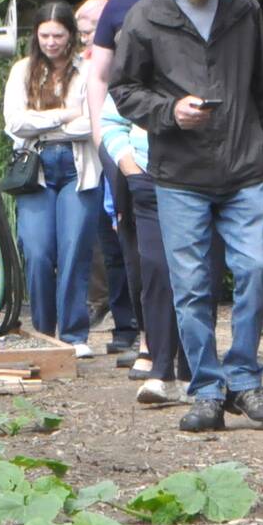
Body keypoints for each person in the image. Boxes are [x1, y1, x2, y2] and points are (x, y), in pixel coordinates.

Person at [110, 0, 263, 432]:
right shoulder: (145, 17)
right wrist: (172, 112)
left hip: (242, 166)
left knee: (257, 268)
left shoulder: (244, 8)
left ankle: (244, 379)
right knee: (192, 286)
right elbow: (124, 89)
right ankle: (207, 390)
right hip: (179, 173)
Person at [85, 0, 174, 379]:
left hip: (175, 143)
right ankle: (145, 337)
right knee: (134, 249)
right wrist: (104, 140)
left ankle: (174, 345)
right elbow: (99, 76)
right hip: (124, 143)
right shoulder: (119, 7)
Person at [4, 0, 104, 356]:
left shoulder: (88, 70)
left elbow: (94, 121)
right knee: (38, 251)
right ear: (35, 36)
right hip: (37, 170)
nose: (50, 42)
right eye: (44, 35)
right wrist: (64, 115)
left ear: (70, 35)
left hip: (79, 168)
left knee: (75, 250)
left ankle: (74, 336)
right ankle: (45, 331)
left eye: (57, 35)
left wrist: (43, 119)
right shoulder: (22, 71)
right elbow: (15, 122)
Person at [98, 94, 189, 405]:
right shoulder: (133, 52)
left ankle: (191, 369)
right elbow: (110, 120)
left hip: (197, 174)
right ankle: (159, 363)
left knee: (193, 271)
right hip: (142, 174)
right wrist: (129, 168)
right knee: (150, 270)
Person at [78, 0, 140, 358]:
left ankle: (141, 329)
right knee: (113, 251)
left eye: (94, 30)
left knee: (133, 244)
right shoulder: (83, 65)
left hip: (128, 157)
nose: (89, 37)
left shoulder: (129, 61)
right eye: (84, 31)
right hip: (99, 163)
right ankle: (124, 324)